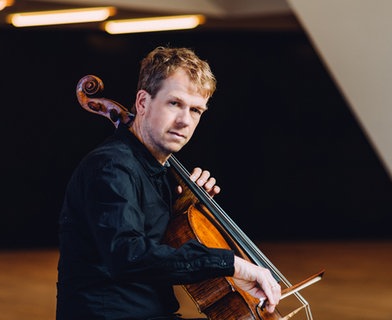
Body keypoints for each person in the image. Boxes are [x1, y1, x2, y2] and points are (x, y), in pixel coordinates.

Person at [56, 46, 281, 320]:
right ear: (142, 103)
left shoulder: (160, 173)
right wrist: (230, 264)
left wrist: (186, 207)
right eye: (174, 103)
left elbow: (158, 248)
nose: (185, 120)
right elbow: (128, 257)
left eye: (196, 110)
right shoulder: (110, 167)